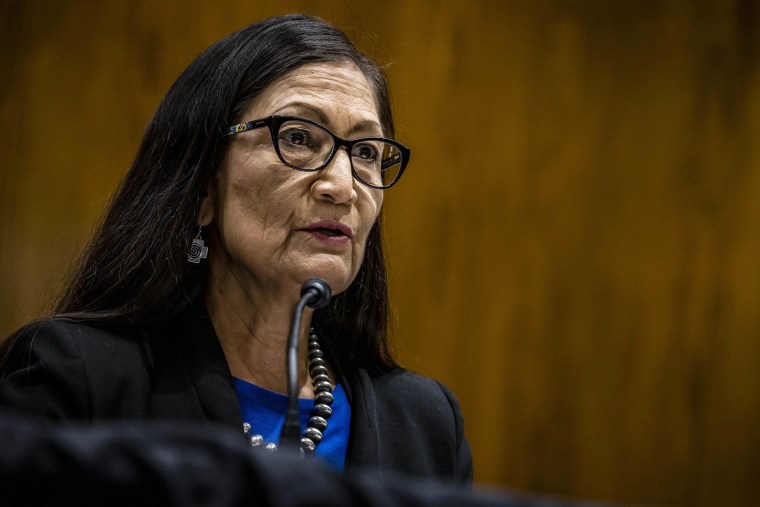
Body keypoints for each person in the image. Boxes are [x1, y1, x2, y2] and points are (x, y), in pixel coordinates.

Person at [0, 14, 471, 483]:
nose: (343, 187)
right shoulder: (76, 378)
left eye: (366, 151)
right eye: (299, 138)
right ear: (204, 186)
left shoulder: (425, 423)